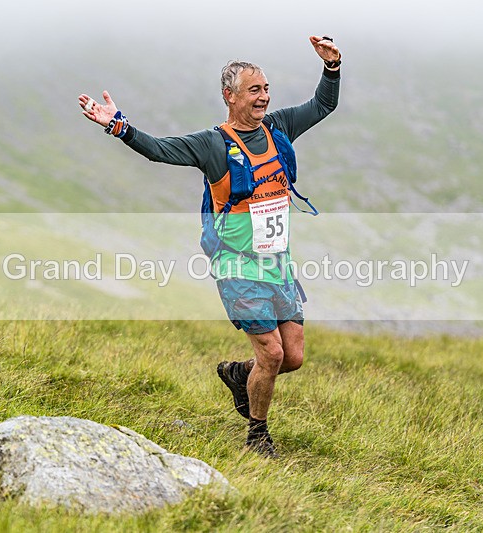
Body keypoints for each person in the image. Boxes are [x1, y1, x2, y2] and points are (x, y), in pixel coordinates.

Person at [78, 35, 340, 457]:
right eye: (255, 90)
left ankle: (240, 375)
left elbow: (323, 106)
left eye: (267, 89)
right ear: (229, 95)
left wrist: (332, 68)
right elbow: (159, 150)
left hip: (278, 264)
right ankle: (257, 434)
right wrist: (117, 125)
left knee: (292, 356)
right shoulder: (212, 143)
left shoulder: (278, 128)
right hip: (237, 267)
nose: (264, 98)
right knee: (271, 353)